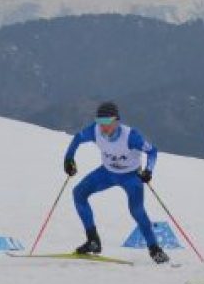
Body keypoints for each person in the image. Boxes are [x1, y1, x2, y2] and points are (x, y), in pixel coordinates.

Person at [63, 101, 170, 264]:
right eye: (99, 122)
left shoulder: (131, 136)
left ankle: (155, 249)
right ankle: (93, 241)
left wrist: (148, 171)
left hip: (130, 177)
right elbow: (77, 138)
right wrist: (68, 159)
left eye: (107, 122)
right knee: (79, 193)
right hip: (106, 173)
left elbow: (152, 151)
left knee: (137, 211)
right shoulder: (95, 131)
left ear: (117, 121)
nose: (102, 127)